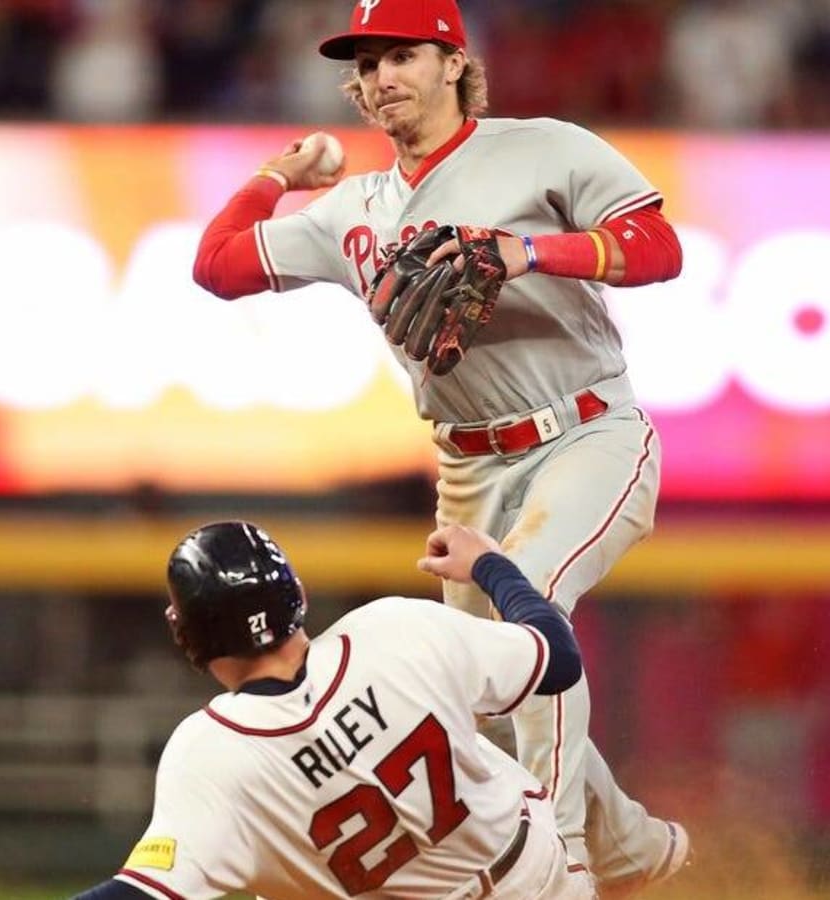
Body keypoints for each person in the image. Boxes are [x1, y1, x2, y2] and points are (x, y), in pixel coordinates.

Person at [189, 0, 688, 891]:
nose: (384, 78)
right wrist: (279, 173)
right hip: (466, 466)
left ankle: (566, 858)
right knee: (482, 693)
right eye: (369, 63)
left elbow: (658, 246)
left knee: (527, 593)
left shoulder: (542, 147)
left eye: (404, 56)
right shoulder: (355, 211)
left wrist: (526, 251)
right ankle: (635, 846)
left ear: (455, 62)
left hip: (586, 431)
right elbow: (217, 265)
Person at [77, 520, 594, 899]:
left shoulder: (211, 753)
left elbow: (140, 895)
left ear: (187, 636)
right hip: (539, 880)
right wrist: (490, 564)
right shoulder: (395, 630)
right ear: (295, 593)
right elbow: (559, 660)